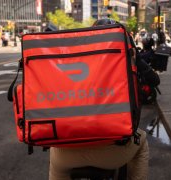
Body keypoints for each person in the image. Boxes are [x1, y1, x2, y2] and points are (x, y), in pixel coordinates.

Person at [49, 18, 149, 180]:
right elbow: (153, 80)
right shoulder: (127, 53)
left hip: (67, 154)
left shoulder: (74, 56)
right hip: (114, 153)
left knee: (56, 157)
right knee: (142, 142)